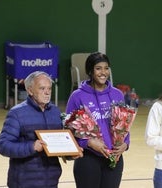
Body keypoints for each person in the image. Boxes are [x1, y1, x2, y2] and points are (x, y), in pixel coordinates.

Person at [0, 71, 81, 188]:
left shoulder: (55, 112)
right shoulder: (16, 113)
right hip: (24, 183)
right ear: (30, 90)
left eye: (49, 88)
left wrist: (71, 153)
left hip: (51, 181)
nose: (47, 92)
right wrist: (32, 147)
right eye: (42, 88)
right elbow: (3, 145)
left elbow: (56, 146)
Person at [66, 52, 128, 188]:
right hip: (88, 158)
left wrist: (125, 144)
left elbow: (124, 125)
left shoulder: (117, 94)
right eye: (98, 68)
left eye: (106, 68)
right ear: (90, 71)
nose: (103, 72)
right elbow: (68, 130)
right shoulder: (77, 96)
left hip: (114, 158)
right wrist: (87, 142)